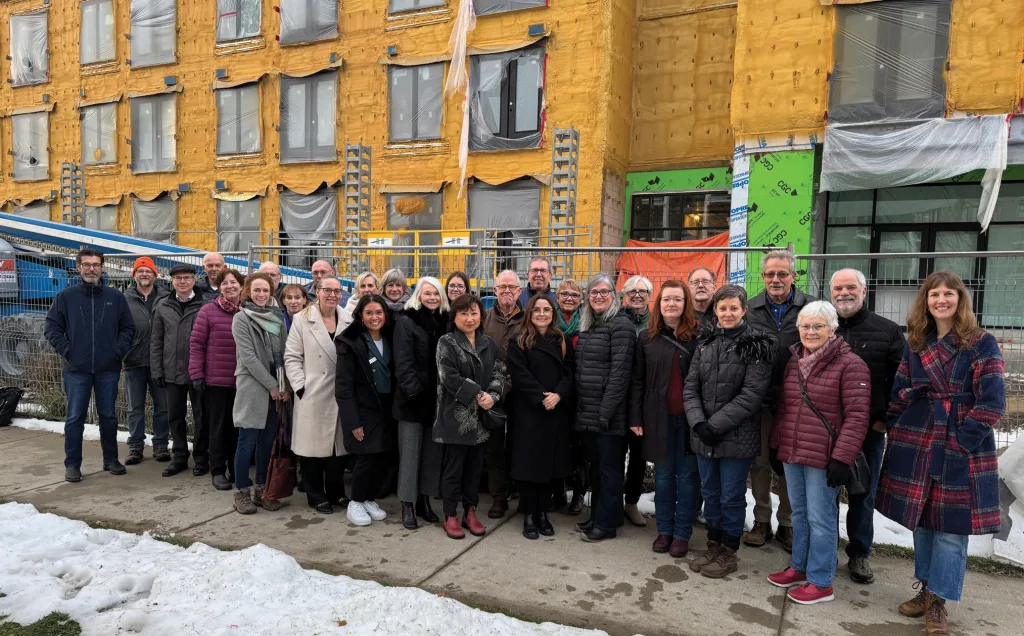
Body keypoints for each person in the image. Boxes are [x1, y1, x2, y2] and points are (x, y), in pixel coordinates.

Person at [877, 271, 1005, 635]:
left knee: (951, 528)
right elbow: (900, 388)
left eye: (950, 293)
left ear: (961, 299)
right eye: (935, 294)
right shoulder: (917, 340)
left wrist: (963, 441)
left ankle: (939, 601)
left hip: (962, 440)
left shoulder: (982, 343)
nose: (942, 300)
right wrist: (897, 423)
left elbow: (993, 402)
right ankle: (925, 586)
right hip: (917, 440)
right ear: (926, 300)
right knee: (921, 519)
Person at [766, 301, 869, 605]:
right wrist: (776, 444)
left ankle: (821, 581)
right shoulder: (794, 360)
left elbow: (857, 416)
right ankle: (799, 567)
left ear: (833, 329)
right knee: (799, 514)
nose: (811, 332)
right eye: (805, 326)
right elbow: (785, 408)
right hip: (794, 451)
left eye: (818, 326)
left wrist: (842, 457)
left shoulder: (850, 365)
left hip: (825, 456)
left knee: (821, 518)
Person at [684, 285, 775, 578]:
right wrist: (698, 422)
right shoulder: (706, 342)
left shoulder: (756, 344)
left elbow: (751, 395)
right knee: (710, 493)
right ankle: (713, 544)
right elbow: (691, 387)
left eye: (733, 308)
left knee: (731, 496)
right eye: (722, 308)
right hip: (703, 434)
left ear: (744, 310)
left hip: (736, 437)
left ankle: (729, 551)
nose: (727, 313)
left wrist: (715, 425)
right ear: (715, 311)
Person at [831, 268, 906, 584]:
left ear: (864, 291)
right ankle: (823, 549)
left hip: (868, 431)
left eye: (851, 287)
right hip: (826, 429)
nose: (844, 293)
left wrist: (883, 420)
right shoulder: (823, 326)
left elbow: (901, 383)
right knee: (825, 493)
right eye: (838, 288)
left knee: (863, 494)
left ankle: (859, 554)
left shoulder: (887, 331)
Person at [744, 249, 816, 551]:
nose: (776, 279)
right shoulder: (749, 309)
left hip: (797, 401)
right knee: (759, 463)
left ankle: (788, 523)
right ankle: (762, 520)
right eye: (770, 274)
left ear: (793, 275)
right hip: (758, 401)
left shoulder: (811, 308)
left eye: (782, 273)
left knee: (789, 463)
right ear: (762, 277)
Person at [44, 247, 134, 483]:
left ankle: (111, 460)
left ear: (102, 267)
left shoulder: (115, 297)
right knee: (75, 418)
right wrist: (67, 350)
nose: (91, 269)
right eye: (87, 264)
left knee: (109, 416)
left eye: (96, 264)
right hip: (76, 369)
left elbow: (128, 328)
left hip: (108, 368)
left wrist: (118, 352)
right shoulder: (66, 297)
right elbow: (52, 327)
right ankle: (72, 464)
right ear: (78, 267)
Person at [629, 280, 701, 557]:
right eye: (667, 299)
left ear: (686, 304)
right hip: (656, 417)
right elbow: (637, 380)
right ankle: (664, 530)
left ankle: (682, 533)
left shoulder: (700, 335)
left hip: (689, 419)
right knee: (662, 476)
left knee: (688, 477)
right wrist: (635, 416)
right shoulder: (646, 337)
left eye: (678, 299)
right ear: (658, 305)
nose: (672, 304)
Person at [434, 293, 507, 540]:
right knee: (454, 469)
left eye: (474, 313)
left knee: (475, 469)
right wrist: (478, 393)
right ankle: (451, 514)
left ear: (481, 316)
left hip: (481, 421)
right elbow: (448, 376)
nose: (469, 318)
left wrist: (494, 395)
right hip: (455, 419)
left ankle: (470, 510)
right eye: (463, 313)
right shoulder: (447, 342)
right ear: (454, 316)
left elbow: (499, 371)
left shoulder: (488, 343)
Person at [506, 295, 575, 540]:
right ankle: (528, 513)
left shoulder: (562, 340)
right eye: (537, 309)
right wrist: (540, 397)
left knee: (548, 466)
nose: (542, 314)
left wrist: (558, 395)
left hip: (554, 411)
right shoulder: (519, 340)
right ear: (529, 312)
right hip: (528, 412)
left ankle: (542, 512)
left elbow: (570, 373)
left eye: (547, 309)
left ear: (553, 313)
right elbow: (519, 374)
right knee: (528, 466)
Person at [574, 273, 636, 543]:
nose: (598, 296)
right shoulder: (591, 325)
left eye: (604, 291)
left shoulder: (620, 325)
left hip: (608, 416)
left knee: (610, 471)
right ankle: (599, 516)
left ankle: (607, 523)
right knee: (598, 469)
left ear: (614, 295)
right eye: (593, 292)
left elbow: (620, 375)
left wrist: (605, 413)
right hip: (589, 413)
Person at [284, 275, 354, 513]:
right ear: (317, 291)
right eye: (327, 290)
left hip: (341, 392)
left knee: (337, 448)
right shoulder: (302, 319)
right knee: (312, 448)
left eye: (337, 290)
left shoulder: (347, 318)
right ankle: (315, 495)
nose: (332, 295)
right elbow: (292, 356)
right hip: (313, 392)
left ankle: (336, 493)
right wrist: (301, 386)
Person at [336, 294, 397, 527]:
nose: (375, 317)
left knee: (381, 456)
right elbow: (343, 386)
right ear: (360, 315)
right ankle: (356, 502)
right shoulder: (350, 341)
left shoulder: (390, 338)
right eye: (369, 313)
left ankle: (369, 498)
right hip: (363, 409)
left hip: (386, 408)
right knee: (365, 456)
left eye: (379, 312)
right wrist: (353, 422)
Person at [231, 273, 289, 514]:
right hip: (253, 387)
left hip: (276, 389)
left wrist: (284, 387)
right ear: (248, 291)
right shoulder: (241, 318)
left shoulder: (277, 317)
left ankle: (262, 491)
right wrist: (272, 385)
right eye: (257, 290)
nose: (262, 295)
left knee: (267, 443)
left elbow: (284, 353)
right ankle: (241, 493)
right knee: (247, 442)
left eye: (266, 290)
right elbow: (249, 358)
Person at [393, 277, 449, 529]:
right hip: (413, 400)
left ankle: (424, 500)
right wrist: (415, 393)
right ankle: (407, 504)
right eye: (427, 293)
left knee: (431, 455)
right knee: (410, 455)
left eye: (436, 293)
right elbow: (403, 364)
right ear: (419, 295)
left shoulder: (444, 322)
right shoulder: (407, 322)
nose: (432, 297)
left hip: (438, 400)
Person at [151, 263, 209, 477]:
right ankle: (180, 456)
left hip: (198, 374)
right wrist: (157, 370)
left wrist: (205, 371)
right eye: (178, 278)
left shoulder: (205, 305)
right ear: (171, 281)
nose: (182, 282)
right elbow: (156, 341)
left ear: (194, 280)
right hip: (171, 372)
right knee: (175, 417)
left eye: (186, 278)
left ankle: (202, 456)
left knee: (202, 417)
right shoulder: (163, 306)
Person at [191, 269, 244, 491]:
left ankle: (235, 468)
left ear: (241, 286)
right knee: (218, 427)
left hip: (242, 381)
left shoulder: (247, 311)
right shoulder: (208, 312)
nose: (230, 286)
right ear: (219, 287)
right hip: (216, 381)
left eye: (234, 282)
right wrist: (196, 374)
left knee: (237, 428)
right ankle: (218, 470)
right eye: (225, 283)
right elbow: (196, 344)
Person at [481, 269, 526, 519]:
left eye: (512, 287)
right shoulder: (484, 319)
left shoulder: (529, 319)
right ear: (495, 290)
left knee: (520, 444)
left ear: (520, 291)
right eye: (502, 287)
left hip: (520, 392)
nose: (507, 291)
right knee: (494, 446)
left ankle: (520, 490)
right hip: (492, 393)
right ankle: (498, 496)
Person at [123, 257, 171, 465]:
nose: (144, 274)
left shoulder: (167, 297)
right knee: (135, 408)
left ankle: (160, 445)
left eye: (148, 271)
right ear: (134, 275)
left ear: (155, 275)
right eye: (140, 271)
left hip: (160, 362)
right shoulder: (124, 299)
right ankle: (135, 447)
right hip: (134, 361)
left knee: (162, 406)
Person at [620, 274, 654, 527]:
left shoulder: (655, 322)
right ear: (624, 295)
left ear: (650, 296)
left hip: (643, 396)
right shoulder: (615, 318)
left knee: (639, 453)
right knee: (612, 452)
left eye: (643, 291)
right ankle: (609, 499)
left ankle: (631, 502)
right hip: (617, 394)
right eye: (632, 291)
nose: (637, 295)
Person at [552, 278, 585, 514]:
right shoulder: (549, 319)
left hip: (584, 390)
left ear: (581, 299)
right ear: (557, 296)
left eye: (574, 294)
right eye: (565, 294)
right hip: (558, 389)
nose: (569, 298)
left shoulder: (588, 320)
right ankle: (558, 489)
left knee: (580, 446)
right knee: (557, 442)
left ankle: (580, 492)